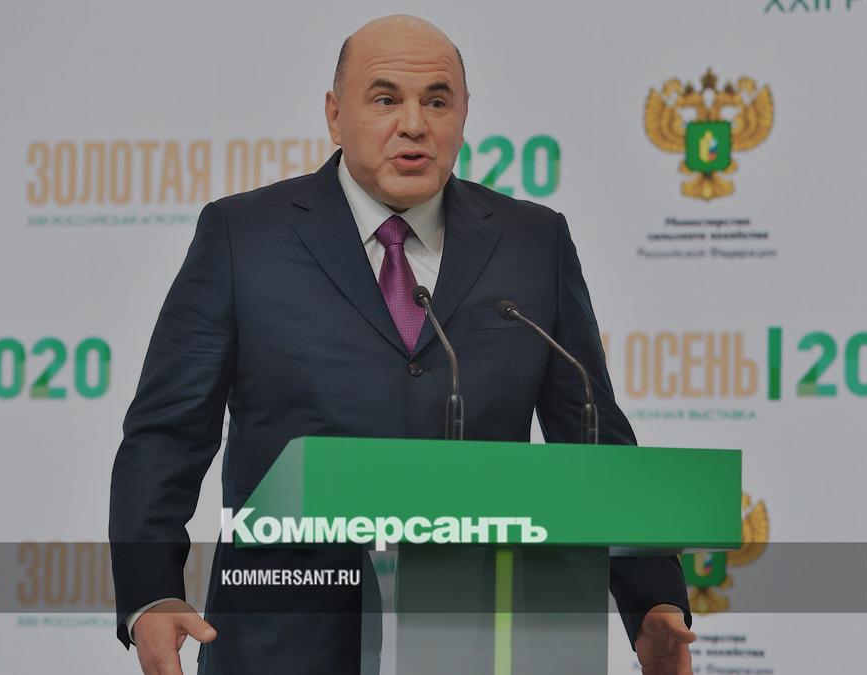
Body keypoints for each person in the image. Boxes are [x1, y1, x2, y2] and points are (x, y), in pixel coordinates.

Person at [109, 14, 694, 675]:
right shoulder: (244, 237)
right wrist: (151, 591)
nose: (414, 124)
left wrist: (652, 603)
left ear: (464, 116)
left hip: (478, 636)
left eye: (437, 102)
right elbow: (167, 432)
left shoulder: (534, 243)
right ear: (335, 116)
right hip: (281, 639)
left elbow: (592, 439)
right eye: (385, 99)